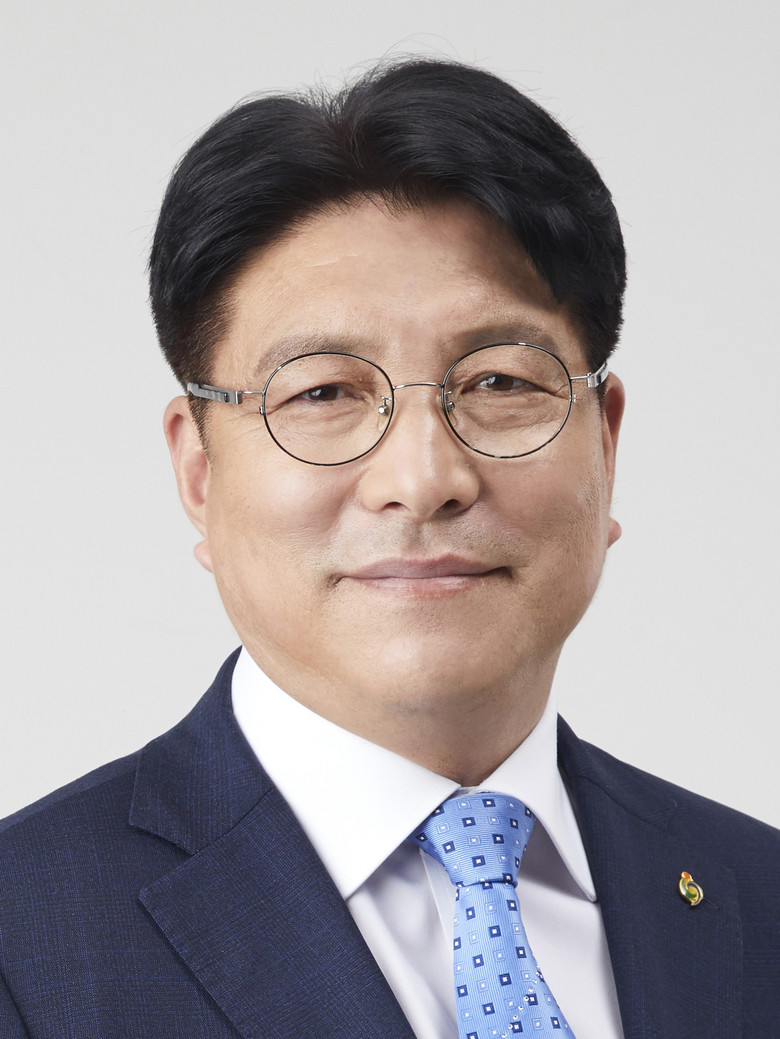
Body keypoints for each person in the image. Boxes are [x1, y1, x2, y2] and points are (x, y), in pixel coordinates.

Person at [0, 59, 777, 1039]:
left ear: (607, 445)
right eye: (323, 392)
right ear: (198, 471)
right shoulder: (26, 946)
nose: (424, 476)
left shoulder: (757, 894)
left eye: (501, 383)